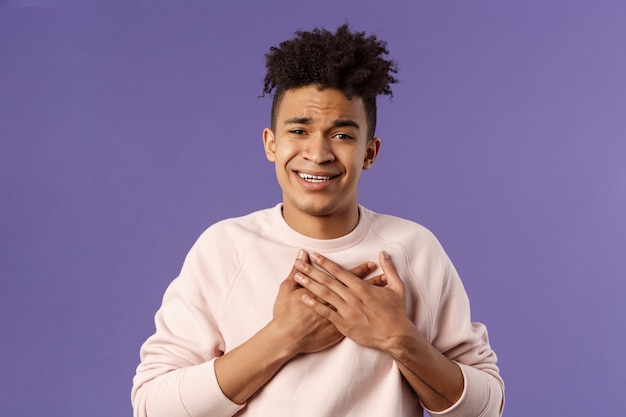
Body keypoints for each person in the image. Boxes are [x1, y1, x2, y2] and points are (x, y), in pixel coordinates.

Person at [131, 24, 504, 417]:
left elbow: (486, 407)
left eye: (342, 135)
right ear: (271, 144)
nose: (318, 152)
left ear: (369, 153)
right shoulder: (224, 249)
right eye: (299, 130)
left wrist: (399, 338)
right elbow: (152, 407)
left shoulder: (414, 249)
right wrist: (283, 336)